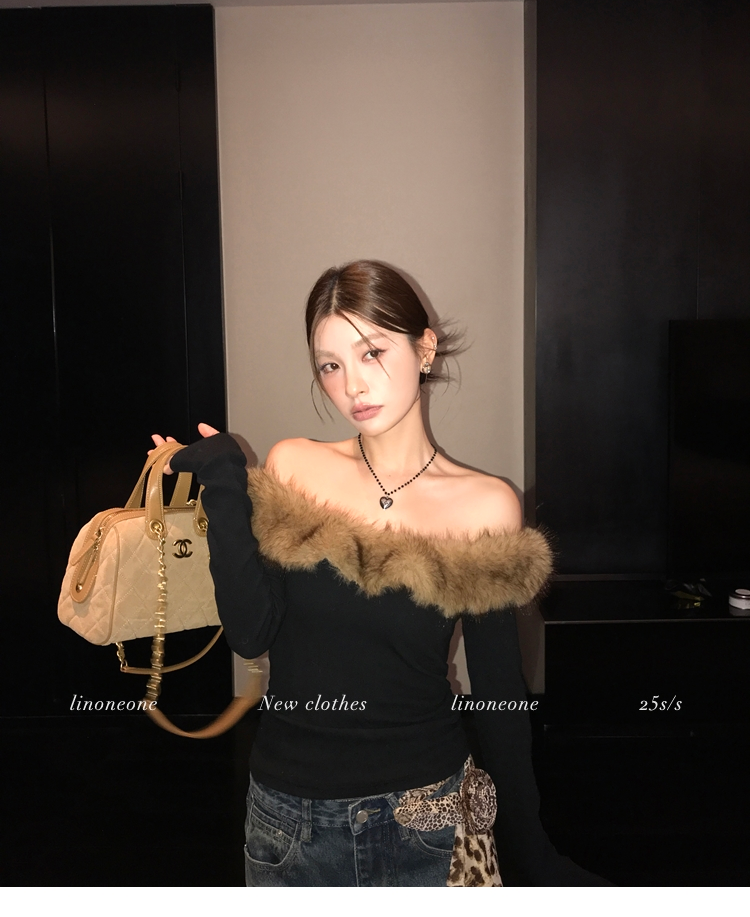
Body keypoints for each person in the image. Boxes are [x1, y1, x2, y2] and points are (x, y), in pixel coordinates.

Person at [151, 259, 612, 888]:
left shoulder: (484, 506)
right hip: (287, 821)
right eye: (330, 366)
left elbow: (499, 697)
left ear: (425, 348)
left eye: (372, 352)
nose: (353, 386)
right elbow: (251, 633)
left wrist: (529, 849)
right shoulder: (296, 466)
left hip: (426, 818)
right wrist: (228, 484)